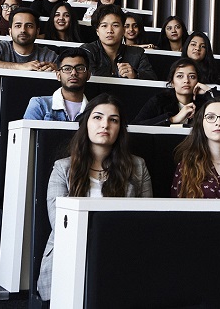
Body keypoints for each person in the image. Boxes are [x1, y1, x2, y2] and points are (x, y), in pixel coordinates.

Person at [36, 93, 153, 301]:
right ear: (86, 123)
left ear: (120, 128)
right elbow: (61, 224)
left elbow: (144, 222)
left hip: (121, 256)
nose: (105, 125)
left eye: (113, 120)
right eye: (97, 117)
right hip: (71, 256)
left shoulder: (137, 166)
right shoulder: (63, 168)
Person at [81, 4, 156, 80]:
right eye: (104, 26)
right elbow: (90, 76)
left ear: (123, 30)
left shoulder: (137, 53)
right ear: (97, 31)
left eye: (115, 25)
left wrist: (135, 74)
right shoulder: (87, 50)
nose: (110, 31)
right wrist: (118, 75)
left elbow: (152, 78)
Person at [131, 58, 212, 127]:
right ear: (172, 82)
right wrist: (172, 119)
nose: (186, 81)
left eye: (192, 76)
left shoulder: (204, 104)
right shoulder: (159, 101)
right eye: (180, 76)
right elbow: (135, 125)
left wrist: (209, 92)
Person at [0, 8, 58, 73]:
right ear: (10, 31)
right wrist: (22, 67)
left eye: (29, 26)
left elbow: (65, 71)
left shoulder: (48, 55)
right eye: (18, 26)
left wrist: (57, 69)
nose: (23, 30)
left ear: (37, 32)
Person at [24, 48, 91, 121]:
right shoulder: (39, 105)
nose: (73, 73)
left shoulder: (95, 110)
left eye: (80, 68)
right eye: (67, 69)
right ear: (58, 75)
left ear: (88, 75)